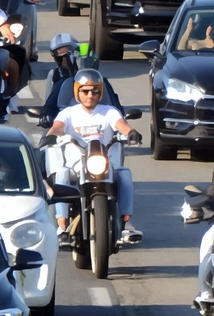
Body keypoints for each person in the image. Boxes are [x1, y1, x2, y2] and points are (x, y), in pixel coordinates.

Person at [41, 69, 143, 247]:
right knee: (62, 173)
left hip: (104, 165)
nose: (90, 95)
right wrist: (51, 134)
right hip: (76, 167)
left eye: (95, 91)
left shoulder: (109, 111)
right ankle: (63, 227)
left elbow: (121, 125)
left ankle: (125, 222)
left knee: (125, 173)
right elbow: (58, 126)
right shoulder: (69, 113)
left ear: (101, 92)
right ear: (77, 91)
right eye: (85, 91)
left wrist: (131, 132)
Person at [40, 37, 123, 124]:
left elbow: (114, 106)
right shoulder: (59, 79)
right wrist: (47, 114)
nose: (64, 59)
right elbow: (49, 104)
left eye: (66, 55)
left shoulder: (101, 81)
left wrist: (121, 115)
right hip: (69, 125)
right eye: (60, 56)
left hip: (99, 122)